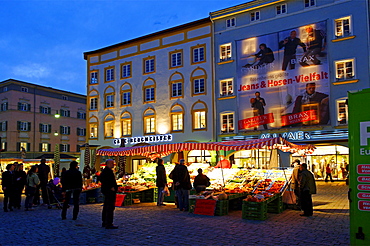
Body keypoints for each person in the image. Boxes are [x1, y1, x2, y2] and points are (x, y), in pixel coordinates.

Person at [100, 159, 119, 229]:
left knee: (107, 206)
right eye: (112, 163)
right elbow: (105, 180)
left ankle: (105, 222)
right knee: (110, 207)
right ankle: (108, 223)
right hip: (109, 191)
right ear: (107, 164)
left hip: (107, 191)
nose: (113, 165)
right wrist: (111, 187)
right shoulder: (107, 171)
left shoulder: (106, 171)